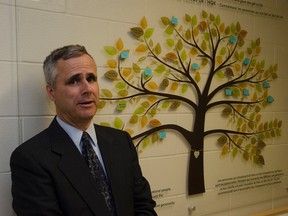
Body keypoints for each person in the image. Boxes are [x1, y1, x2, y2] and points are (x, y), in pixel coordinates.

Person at [10, 45, 157, 216]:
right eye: (74, 81)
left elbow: (143, 205)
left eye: (91, 78)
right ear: (51, 92)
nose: (87, 89)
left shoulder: (121, 142)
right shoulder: (31, 159)